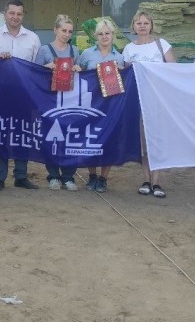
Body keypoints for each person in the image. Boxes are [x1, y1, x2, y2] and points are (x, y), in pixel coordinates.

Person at [0, 0, 41, 191]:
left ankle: (21, 176)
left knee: (23, 135)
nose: (15, 17)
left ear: (23, 15)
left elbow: (36, 68)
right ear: (5, 14)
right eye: (12, 13)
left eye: (19, 14)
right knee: (0, 135)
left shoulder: (33, 38)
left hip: (24, 95)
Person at [122, 10, 175, 199]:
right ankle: (146, 180)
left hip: (158, 100)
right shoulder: (129, 49)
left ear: (151, 25)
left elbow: (173, 69)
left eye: (146, 23)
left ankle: (157, 181)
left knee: (157, 142)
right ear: (133, 26)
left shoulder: (162, 44)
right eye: (139, 23)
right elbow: (125, 75)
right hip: (138, 101)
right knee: (144, 143)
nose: (142, 26)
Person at [75, 20, 125, 193]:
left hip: (111, 105)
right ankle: (92, 175)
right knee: (90, 139)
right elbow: (79, 72)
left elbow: (125, 81)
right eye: (101, 34)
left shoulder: (119, 57)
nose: (104, 37)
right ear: (95, 36)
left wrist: (123, 69)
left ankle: (103, 178)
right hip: (90, 103)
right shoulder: (86, 54)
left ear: (113, 35)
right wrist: (77, 68)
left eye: (107, 33)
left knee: (108, 140)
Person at [34, 15, 80, 191]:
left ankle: (68, 176)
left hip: (70, 100)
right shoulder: (44, 50)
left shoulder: (75, 51)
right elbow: (34, 73)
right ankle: (53, 175)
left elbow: (81, 76)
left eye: (70, 31)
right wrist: (45, 68)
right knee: (51, 138)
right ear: (55, 30)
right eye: (63, 30)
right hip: (49, 100)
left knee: (70, 138)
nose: (67, 34)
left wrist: (79, 68)